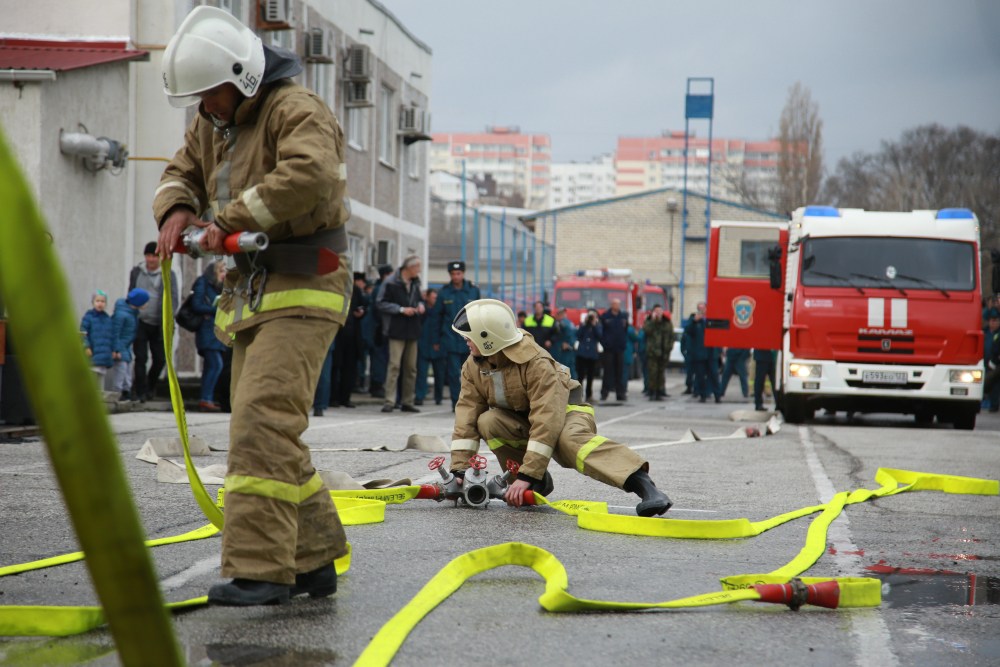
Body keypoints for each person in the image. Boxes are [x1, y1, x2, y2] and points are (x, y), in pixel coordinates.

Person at [154, 5, 351, 606]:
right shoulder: (214, 121)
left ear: (240, 78)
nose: (205, 110)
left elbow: (310, 175)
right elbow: (180, 172)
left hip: (305, 286)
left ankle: (263, 570)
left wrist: (226, 221)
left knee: (262, 424)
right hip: (252, 296)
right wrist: (177, 212)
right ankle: (312, 559)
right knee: (266, 430)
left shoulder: (296, 111)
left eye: (209, 96)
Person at [447, 299, 672, 517]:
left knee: (570, 442)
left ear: (488, 339)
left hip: (566, 411)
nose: (466, 341)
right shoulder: (473, 365)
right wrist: (460, 469)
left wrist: (528, 473)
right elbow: (467, 413)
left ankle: (646, 488)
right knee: (488, 421)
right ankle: (536, 484)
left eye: (470, 336)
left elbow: (546, 418)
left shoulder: (536, 363)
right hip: (525, 416)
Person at [129, 241, 179, 402]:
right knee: (140, 358)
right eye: (149, 256)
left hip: (159, 324)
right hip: (140, 322)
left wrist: (169, 319)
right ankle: (140, 391)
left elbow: (173, 298)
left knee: (160, 359)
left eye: (155, 256)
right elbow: (130, 294)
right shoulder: (136, 272)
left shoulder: (168, 274)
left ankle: (151, 385)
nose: (151, 259)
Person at [375, 255, 425, 413]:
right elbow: (380, 302)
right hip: (396, 329)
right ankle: (389, 401)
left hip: (413, 329)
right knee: (394, 365)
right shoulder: (390, 282)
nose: (419, 271)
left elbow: (418, 299)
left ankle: (407, 401)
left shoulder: (416, 282)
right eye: (417, 267)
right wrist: (401, 309)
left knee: (411, 368)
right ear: (409, 268)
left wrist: (421, 305)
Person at [433, 260, 481, 410]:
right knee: (454, 374)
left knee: (472, 373)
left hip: (470, 339)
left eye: (458, 273)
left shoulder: (473, 291)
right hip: (451, 339)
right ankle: (457, 403)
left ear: (463, 273)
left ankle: (472, 403)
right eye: (453, 274)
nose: (456, 277)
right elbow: (437, 317)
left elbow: (479, 315)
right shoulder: (444, 292)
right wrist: (436, 340)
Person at [191, 259, 228, 412]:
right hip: (207, 329)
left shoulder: (219, 286)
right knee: (216, 364)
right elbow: (196, 305)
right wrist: (217, 309)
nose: (224, 275)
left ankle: (207, 398)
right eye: (221, 271)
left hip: (215, 330)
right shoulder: (203, 282)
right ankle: (206, 398)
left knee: (211, 365)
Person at [331, 271, 367, 409]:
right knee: (336, 366)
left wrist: (361, 312)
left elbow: (364, 306)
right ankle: (333, 398)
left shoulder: (355, 290)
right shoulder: (336, 287)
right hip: (337, 333)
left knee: (350, 368)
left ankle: (345, 398)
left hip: (352, 335)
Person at [109, 288, 150, 401]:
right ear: (138, 302)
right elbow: (115, 332)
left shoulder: (132, 313)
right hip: (120, 348)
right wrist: (115, 349)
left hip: (126, 348)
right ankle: (117, 393)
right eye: (145, 302)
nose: (147, 304)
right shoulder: (122, 315)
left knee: (127, 372)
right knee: (120, 371)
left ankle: (127, 391)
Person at [366, 264, 394, 399]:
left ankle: (377, 384)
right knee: (379, 359)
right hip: (378, 329)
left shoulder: (380, 288)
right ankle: (376, 385)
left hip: (378, 328)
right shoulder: (381, 289)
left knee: (380, 358)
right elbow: (379, 310)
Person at [416, 288, 445, 406]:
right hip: (423, 345)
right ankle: (419, 396)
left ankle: (438, 397)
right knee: (421, 373)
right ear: (427, 297)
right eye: (433, 297)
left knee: (439, 373)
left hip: (437, 346)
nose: (435, 300)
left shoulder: (441, 311)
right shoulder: (422, 310)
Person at [81, 290, 114, 387]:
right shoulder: (88, 317)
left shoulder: (107, 319)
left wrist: (111, 350)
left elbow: (110, 337)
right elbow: (83, 334)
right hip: (92, 353)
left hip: (103, 356)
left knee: (100, 382)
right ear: (93, 302)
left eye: (103, 301)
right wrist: (86, 346)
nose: (100, 303)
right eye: (97, 301)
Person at [599, 298, 629, 401]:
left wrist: (623, 343)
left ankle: (620, 394)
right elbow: (601, 332)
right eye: (615, 304)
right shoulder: (605, 316)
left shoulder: (623, 316)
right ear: (611, 305)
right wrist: (605, 343)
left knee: (619, 372)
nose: (617, 306)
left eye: (618, 304)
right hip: (608, 349)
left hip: (619, 349)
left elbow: (625, 330)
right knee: (607, 372)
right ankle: (604, 393)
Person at [643, 305, 675, 400]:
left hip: (664, 352)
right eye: (656, 311)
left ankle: (660, 391)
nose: (658, 313)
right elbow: (646, 331)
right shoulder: (649, 321)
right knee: (653, 373)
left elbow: (671, 336)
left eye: (660, 311)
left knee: (661, 373)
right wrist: (653, 321)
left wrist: (669, 347)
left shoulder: (667, 322)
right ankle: (652, 391)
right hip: (652, 352)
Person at [575, 309, 602, 402]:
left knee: (591, 376)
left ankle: (589, 395)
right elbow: (578, 335)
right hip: (582, 353)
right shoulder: (583, 326)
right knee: (580, 376)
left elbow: (599, 336)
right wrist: (584, 323)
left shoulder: (598, 326)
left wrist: (594, 325)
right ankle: (578, 395)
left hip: (592, 354)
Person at [550, 307, 577, 378]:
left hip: (563, 351)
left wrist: (568, 344)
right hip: (567, 350)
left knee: (564, 370)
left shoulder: (563, 323)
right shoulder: (569, 323)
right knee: (569, 369)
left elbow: (569, 335)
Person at [983, 308, 1000, 412]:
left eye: (996, 321)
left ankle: (994, 404)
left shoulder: (998, 334)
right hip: (986, 362)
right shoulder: (985, 333)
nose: (994, 323)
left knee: (995, 385)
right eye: (992, 321)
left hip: (995, 363)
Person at [753, 348, 777, 412]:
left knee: (775, 382)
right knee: (760, 381)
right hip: (762, 356)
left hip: (773, 356)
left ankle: (778, 404)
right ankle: (758, 404)